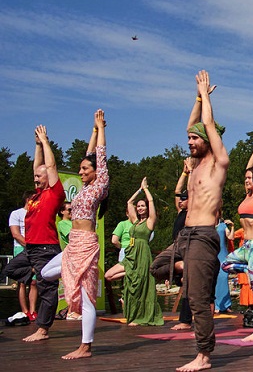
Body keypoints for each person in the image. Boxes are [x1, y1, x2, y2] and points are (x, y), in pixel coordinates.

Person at [41, 109, 109, 359]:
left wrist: (101, 129)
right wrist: (91, 130)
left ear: (94, 172)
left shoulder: (100, 185)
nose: (80, 172)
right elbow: (89, 155)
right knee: (45, 273)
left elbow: (99, 157)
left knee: (87, 296)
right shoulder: (83, 188)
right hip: (73, 245)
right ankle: (71, 282)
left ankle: (85, 346)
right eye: (79, 169)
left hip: (87, 245)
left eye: (84, 169)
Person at [174, 70, 229, 372]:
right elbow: (193, 124)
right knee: (158, 266)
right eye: (189, 138)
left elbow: (206, 124)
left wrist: (206, 96)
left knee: (197, 299)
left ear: (208, 140)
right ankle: (188, 267)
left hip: (203, 235)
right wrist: (196, 98)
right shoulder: (194, 164)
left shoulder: (218, 164)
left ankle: (204, 356)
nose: (190, 141)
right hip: (186, 234)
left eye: (195, 139)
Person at [3, 125, 66, 342]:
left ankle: (43, 329)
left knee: (47, 289)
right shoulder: (36, 196)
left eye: (40, 177)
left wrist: (46, 142)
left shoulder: (55, 194)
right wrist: (37, 145)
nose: (36, 179)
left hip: (46, 248)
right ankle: (36, 272)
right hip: (31, 249)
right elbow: (37, 167)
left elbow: (49, 165)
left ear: (49, 178)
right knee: (11, 269)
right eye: (35, 178)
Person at [221, 129, 253, 341]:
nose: (246, 180)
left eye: (250, 178)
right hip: (247, 248)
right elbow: (247, 168)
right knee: (225, 264)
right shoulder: (248, 195)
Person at [105, 178, 163, 326]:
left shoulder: (150, 221)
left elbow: (151, 203)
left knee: (139, 287)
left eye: (143, 206)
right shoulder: (135, 221)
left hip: (142, 253)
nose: (140, 208)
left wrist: (146, 190)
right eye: (139, 206)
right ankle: (131, 272)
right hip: (130, 254)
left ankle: (139, 317)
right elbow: (129, 203)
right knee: (108, 275)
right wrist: (139, 189)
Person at [150, 158, 194, 330]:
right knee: (155, 267)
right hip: (176, 245)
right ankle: (179, 268)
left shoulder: (193, 210)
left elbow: (193, 192)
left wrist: (191, 172)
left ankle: (185, 320)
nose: (181, 201)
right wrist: (184, 172)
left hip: (189, 244)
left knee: (189, 283)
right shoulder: (180, 210)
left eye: (185, 199)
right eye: (181, 200)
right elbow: (177, 190)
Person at [8, 192, 38, 321]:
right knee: (22, 282)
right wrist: (28, 245)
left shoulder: (37, 214)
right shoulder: (16, 213)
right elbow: (16, 234)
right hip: (21, 248)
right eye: (35, 199)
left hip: (36, 249)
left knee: (34, 282)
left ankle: (33, 311)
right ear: (28, 199)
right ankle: (24, 311)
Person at [214, 217, 234, 314]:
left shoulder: (223, 225)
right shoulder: (209, 225)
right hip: (213, 254)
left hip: (222, 255)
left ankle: (226, 305)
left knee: (223, 277)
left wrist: (232, 226)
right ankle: (216, 304)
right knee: (215, 278)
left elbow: (230, 237)